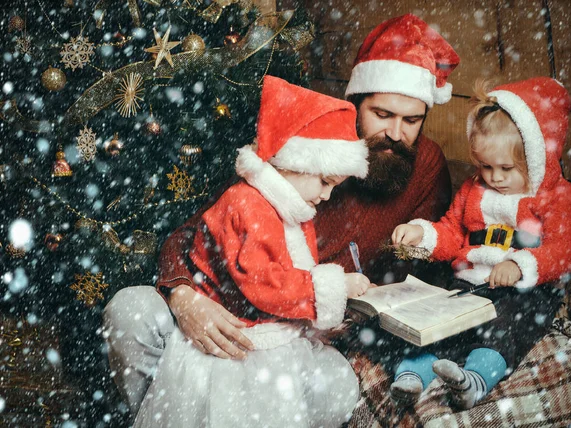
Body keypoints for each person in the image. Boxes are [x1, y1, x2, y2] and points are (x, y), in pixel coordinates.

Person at [103, 14, 460, 416]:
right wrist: (184, 298)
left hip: (306, 335)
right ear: (355, 104)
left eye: (411, 120)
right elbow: (192, 235)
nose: (396, 133)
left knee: (334, 391)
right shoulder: (300, 151)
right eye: (382, 115)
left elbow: (432, 263)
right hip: (236, 311)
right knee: (129, 311)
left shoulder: (424, 164)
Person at [132, 76, 370, 427]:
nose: (326, 196)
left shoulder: (291, 204)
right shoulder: (247, 204)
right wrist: (334, 288)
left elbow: (292, 269)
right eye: (324, 182)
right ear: (290, 164)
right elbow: (262, 282)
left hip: (267, 334)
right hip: (236, 337)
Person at [389, 77, 571, 410]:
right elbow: (452, 232)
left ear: (537, 158)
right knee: (438, 322)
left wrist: (520, 264)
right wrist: (424, 235)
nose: (494, 177)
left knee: (502, 328)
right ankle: (411, 375)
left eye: (507, 168)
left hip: (522, 292)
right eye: (485, 166)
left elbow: (566, 250)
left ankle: (475, 380)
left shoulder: (556, 197)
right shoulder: (473, 189)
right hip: (469, 280)